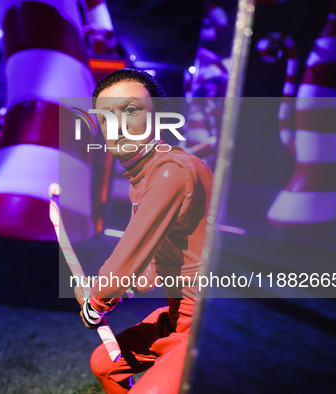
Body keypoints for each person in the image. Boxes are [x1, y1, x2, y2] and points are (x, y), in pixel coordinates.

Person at [76, 68, 213, 393]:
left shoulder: (171, 173)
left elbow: (129, 256)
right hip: (178, 314)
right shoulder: (148, 173)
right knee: (105, 364)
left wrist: (97, 299)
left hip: (204, 324)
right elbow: (156, 266)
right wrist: (111, 291)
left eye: (132, 110)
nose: (119, 126)